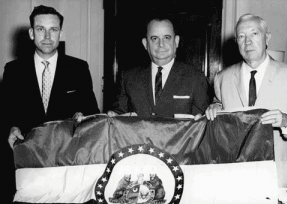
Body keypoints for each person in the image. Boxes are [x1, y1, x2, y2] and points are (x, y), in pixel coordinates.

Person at [200, 13, 287, 188]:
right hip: (235, 177)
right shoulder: (222, 78)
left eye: (254, 34)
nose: (247, 42)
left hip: (277, 179)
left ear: (267, 37)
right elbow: (218, 106)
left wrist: (286, 120)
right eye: (241, 36)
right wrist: (214, 108)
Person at [2, 5, 100, 149]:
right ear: (31, 33)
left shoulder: (78, 68)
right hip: (27, 152)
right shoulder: (13, 70)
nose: (47, 37)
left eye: (53, 30)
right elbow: (5, 115)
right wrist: (11, 129)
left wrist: (82, 117)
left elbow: (92, 114)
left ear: (60, 34)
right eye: (40, 29)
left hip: (66, 153)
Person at [108, 17, 210, 118]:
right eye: (154, 38)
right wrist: (113, 116)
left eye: (167, 38)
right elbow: (118, 116)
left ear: (176, 41)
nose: (161, 44)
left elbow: (202, 122)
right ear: (145, 44)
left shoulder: (196, 78)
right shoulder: (128, 77)